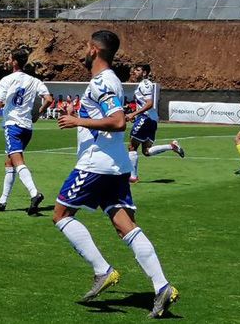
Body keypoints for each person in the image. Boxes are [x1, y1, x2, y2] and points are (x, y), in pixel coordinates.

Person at [54, 30, 178, 318]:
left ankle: (103, 270)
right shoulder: (106, 81)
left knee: (60, 215)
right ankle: (162, 287)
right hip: (115, 164)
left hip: (96, 164)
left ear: (94, 50)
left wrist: (76, 120)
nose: (83, 52)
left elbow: (118, 121)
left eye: (86, 47)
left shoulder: (104, 81)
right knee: (125, 226)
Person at [0, 49, 53, 215]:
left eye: (10, 58)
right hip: (27, 127)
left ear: (15, 61)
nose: (8, 61)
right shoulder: (34, 80)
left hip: (13, 125)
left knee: (18, 162)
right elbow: (49, 99)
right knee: (9, 162)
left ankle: (34, 193)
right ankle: (2, 201)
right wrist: (38, 113)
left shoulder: (7, 80)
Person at [126, 64, 184, 183]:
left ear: (145, 73)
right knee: (146, 151)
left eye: (138, 70)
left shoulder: (145, 84)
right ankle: (172, 146)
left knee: (132, 146)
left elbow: (149, 103)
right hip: (150, 119)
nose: (134, 72)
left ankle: (133, 177)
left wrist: (134, 114)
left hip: (145, 118)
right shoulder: (142, 85)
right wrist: (135, 114)